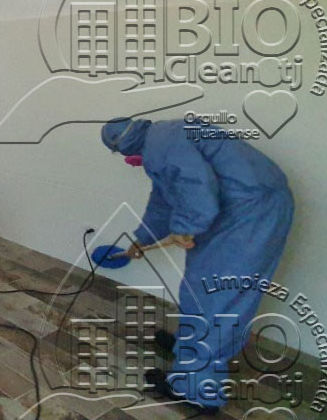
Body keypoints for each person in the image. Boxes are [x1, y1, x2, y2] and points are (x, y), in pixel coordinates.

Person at [100, 118, 294, 414]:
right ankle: (188, 348)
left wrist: (186, 227)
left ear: (121, 146)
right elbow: (164, 200)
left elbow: (197, 187)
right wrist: (142, 239)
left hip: (249, 215)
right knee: (202, 291)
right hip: (241, 210)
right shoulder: (162, 137)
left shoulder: (161, 144)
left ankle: (196, 388)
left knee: (216, 299)